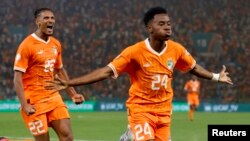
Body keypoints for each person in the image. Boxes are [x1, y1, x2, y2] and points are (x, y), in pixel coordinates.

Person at [45, 6, 233, 141]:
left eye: (168, 23)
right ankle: (130, 135)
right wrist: (71, 83)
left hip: (164, 113)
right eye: (161, 24)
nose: (167, 27)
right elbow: (105, 71)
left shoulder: (176, 50)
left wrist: (216, 76)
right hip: (141, 110)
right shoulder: (134, 52)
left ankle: (129, 137)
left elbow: (194, 67)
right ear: (150, 28)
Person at [13, 8, 85, 141]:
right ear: (38, 22)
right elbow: (17, 77)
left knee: (68, 137)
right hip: (33, 101)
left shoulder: (55, 44)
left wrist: (73, 94)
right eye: (46, 18)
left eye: (52, 18)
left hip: (53, 98)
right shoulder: (26, 45)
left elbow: (60, 70)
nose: (50, 20)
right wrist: (24, 105)